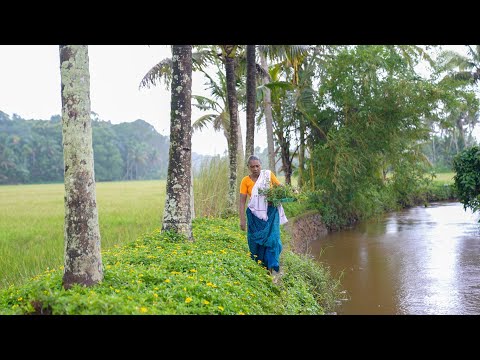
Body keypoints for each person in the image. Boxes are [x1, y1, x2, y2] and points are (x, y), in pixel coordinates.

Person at [239, 155, 288, 274]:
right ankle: (262, 268)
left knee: (273, 240)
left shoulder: (268, 175)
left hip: (271, 213)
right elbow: (242, 202)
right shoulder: (245, 181)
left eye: (257, 166)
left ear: (261, 165)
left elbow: (279, 187)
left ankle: (271, 266)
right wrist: (242, 220)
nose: (255, 168)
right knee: (256, 243)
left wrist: (285, 190)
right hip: (255, 217)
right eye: (252, 167)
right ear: (248, 167)